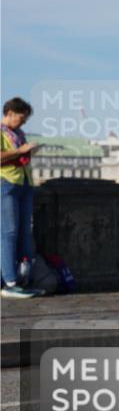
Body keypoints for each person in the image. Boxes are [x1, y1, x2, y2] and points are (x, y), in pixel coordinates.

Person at [1, 97, 42, 298]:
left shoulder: (19, 133)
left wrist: (29, 152)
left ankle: (21, 278)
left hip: (24, 184)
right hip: (6, 184)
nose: (24, 121)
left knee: (24, 232)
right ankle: (9, 281)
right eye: (21, 117)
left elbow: (20, 156)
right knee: (8, 232)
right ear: (9, 113)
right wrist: (19, 150)